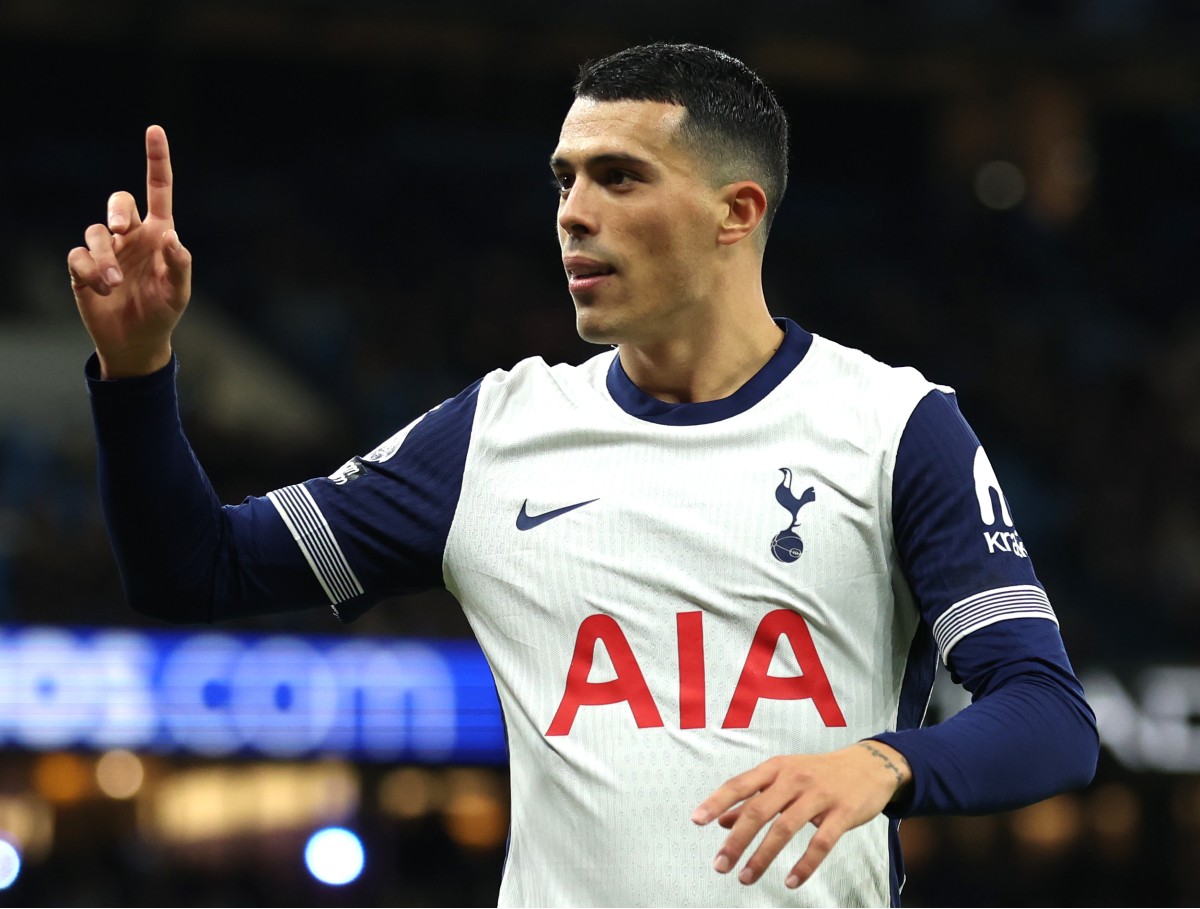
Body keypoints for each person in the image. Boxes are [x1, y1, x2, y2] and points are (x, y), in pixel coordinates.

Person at [69, 43, 1098, 908]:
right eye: (564, 178)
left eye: (618, 176)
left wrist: (885, 764)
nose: (571, 211)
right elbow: (194, 573)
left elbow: (1047, 717)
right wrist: (136, 369)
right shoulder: (495, 435)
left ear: (735, 211)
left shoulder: (894, 427)